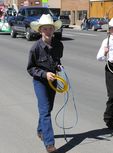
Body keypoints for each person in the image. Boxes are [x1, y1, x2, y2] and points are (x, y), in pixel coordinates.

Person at [27, 14, 63, 153]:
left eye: (50, 28)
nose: (48, 31)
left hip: (53, 81)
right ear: (40, 30)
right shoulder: (35, 48)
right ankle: (50, 144)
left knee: (48, 109)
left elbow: (58, 61)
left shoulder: (58, 45)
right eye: (45, 29)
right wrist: (44, 74)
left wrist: (59, 67)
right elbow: (30, 68)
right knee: (45, 111)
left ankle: (40, 130)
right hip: (40, 82)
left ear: (54, 30)